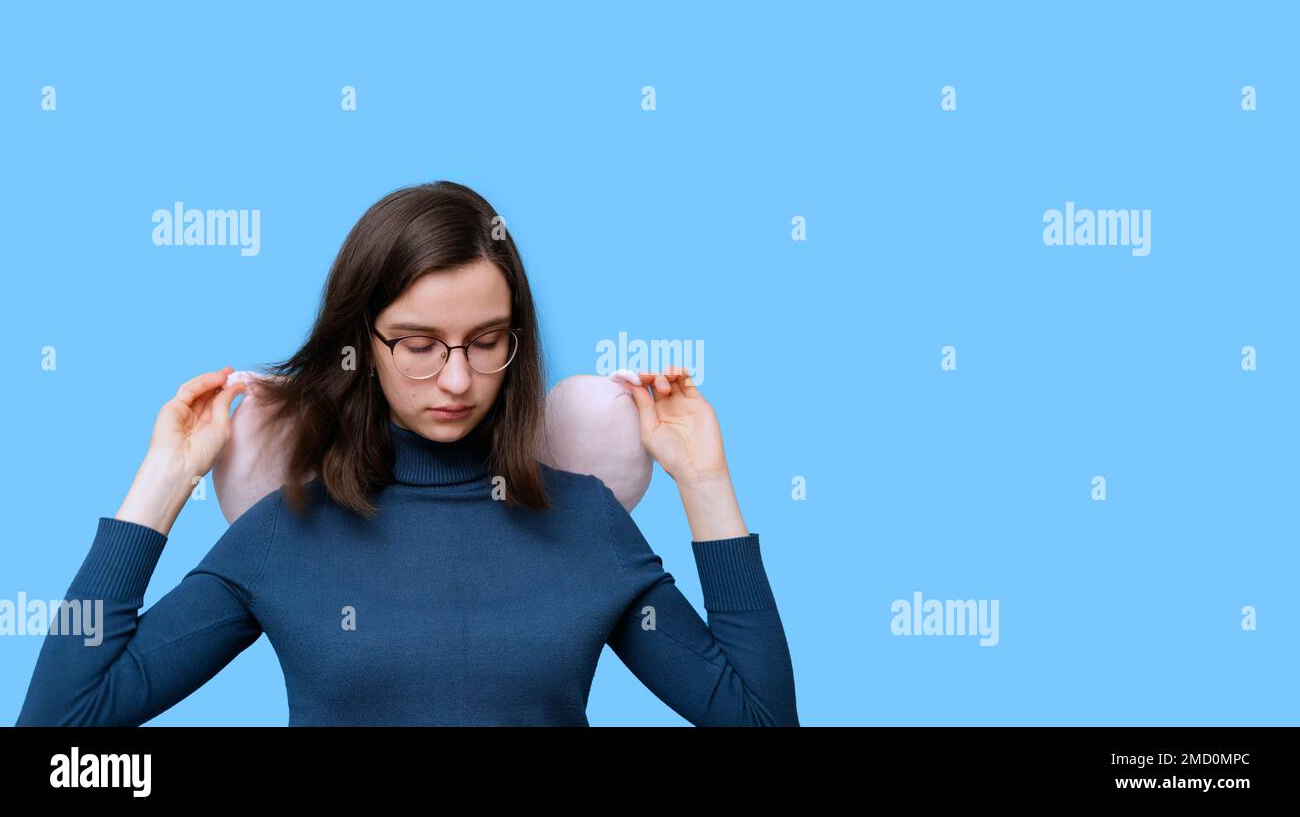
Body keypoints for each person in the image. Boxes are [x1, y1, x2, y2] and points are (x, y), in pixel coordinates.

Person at [14, 180, 799, 727]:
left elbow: (760, 719)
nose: (456, 378)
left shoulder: (585, 523)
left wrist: (703, 476)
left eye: (485, 342)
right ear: (363, 341)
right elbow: (62, 723)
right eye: (419, 345)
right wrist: (164, 479)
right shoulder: (286, 531)